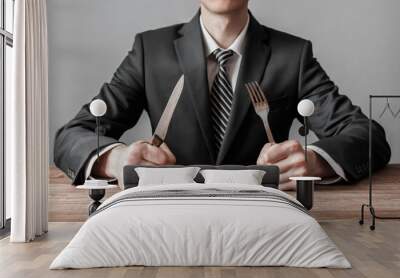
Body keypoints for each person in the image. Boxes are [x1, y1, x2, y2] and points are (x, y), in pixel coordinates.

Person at [54, 0, 391, 190]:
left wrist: (313, 160)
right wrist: (114, 160)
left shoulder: (293, 56)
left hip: (267, 230)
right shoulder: (150, 51)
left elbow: (368, 137)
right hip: (168, 224)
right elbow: (72, 136)